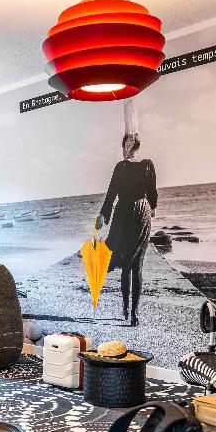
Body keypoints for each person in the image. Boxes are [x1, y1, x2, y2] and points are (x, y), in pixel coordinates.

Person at [95, 133, 157, 327]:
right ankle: (135, 314)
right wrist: (152, 208)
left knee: (126, 263)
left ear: (126, 147)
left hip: (123, 215)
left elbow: (111, 193)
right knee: (137, 264)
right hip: (142, 213)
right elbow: (152, 192)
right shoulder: (148, 164)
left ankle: (125, 309)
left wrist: (103, 215)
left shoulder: (120, 167)